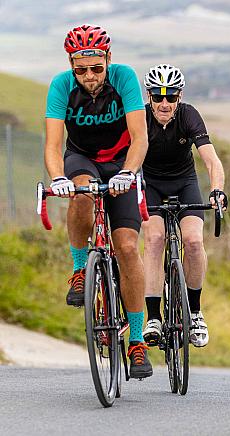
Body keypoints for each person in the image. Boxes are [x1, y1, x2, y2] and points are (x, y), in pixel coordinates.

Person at [44, 24, 152, 377]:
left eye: (96, 67)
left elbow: (140, 137)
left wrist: (129, 173)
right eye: (81, 69)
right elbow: (52, 145)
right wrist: (57, 178)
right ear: (71, 66)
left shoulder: (124, 78)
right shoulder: (61, 86)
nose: (89, 76)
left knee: (128, 248)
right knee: (82, 191)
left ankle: (136, 342)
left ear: (108, 60)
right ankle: (79, 269)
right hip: (82, 158)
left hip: (122, 162)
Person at [139, 64, 227, 348]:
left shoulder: (189, 115)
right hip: (150, 184)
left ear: (180, 97)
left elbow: (212, 160)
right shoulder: (139, 118)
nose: (164, 103)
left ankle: (196, 312)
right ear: (149, 96)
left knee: (192, 241)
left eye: (171, 97)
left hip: (184, 183)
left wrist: (217, 190)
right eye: (158, 96)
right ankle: (153, 317)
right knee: (154, 239)